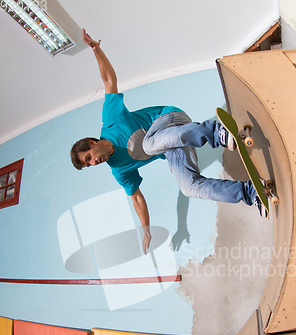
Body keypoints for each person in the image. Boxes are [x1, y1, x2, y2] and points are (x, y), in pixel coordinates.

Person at [71, 29, 267, 254]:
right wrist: (146, 230)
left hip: (169, 118)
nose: (94, 163)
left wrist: (96, 49)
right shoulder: (118, 169)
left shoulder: (110, 119)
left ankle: (216, 133)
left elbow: (108, 80)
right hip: (174, 144)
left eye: (89, 157)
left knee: (147, 145)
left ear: (92, 142)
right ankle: (251, 192)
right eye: (89, 165)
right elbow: (136, 198)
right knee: (189, 188)